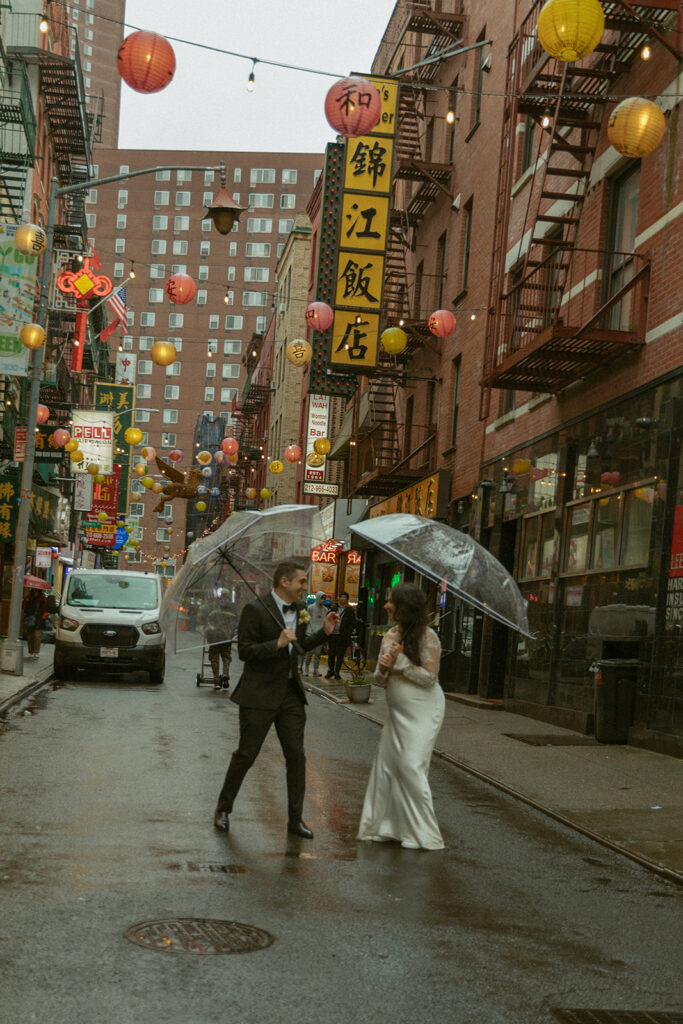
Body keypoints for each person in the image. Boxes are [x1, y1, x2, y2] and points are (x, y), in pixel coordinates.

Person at [214, 560, 339, 838]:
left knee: (296, 756)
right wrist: (276, 644)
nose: (305, 588)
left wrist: (324, 634)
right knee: (246, 754)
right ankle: (223, 808)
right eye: (301, 582)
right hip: (258, 694)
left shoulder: (301, 611)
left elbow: (300, 646)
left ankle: (295, 820)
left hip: (290, 695)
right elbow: (245, 651)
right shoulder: (255, 610)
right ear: (285, 582)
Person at [357, 584, 445, 851]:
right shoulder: (389, 636)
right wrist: (382, 669)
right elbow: (381, 681)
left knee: (410, 765)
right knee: (389, 767)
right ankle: (389, 826)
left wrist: (402, 662)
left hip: (424, 709)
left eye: (390, 601)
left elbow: (429, 679)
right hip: (397, 713)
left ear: (404, 606)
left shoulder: (429, 638)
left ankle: (424, 834)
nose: (385, 605)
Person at [205, 598, 237, 691]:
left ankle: (216, 681)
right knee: (226, 657)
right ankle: (225, 674)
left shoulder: (214, 613)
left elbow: (208, 623)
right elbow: (234, 625)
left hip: (215, 638)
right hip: (226, 639)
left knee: (214, 658)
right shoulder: (232, 615)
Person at [325, 591, 356, 680]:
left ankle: (337, 672)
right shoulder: (334, 608)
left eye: (344, 597)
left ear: (347, 599)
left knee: (340, 655)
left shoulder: (350, 610)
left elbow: (352, 623)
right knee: (331, 654)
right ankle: (330, 670)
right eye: (341, 597)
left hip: (343, 636)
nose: (342, 598)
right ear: (339, 598)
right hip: (333, 635)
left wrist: (347, 632)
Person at [302, 592, 328, 677]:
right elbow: (306, 620)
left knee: (318, 653)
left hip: (320, 634)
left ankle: (315, 670)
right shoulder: (310, 608)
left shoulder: (325, 610)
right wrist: (309, 630)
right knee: (310, 653)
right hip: (311, 633)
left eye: (324, 599)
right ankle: (306, 668)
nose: (322, 600)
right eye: (321, 598)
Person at [22, 589, 48, 659]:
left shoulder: (43, 599)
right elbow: (23, 607)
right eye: (34, 591)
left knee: (37, 636)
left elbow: (46, 609)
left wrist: (43, 616)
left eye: (36, 591)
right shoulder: (28, 598)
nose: (35, 592)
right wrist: (26, 601)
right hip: (30, 619)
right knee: (30, 636)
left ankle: (36, 652)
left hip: (39, 619)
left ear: (39, 591)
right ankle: (30, 652)